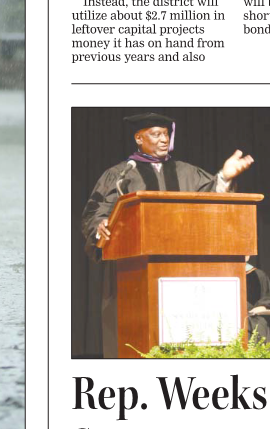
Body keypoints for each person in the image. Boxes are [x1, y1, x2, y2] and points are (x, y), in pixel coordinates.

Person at [80, 111, 256, 358]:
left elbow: (211, 203)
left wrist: (225, 177)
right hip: (132, 274)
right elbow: (95, 212)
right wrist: (100, 225)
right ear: (139, 138)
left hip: (186, 273)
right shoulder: (120, 175)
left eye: (165, 134)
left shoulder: (187, 172)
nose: (163, 139)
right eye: (155, 134)